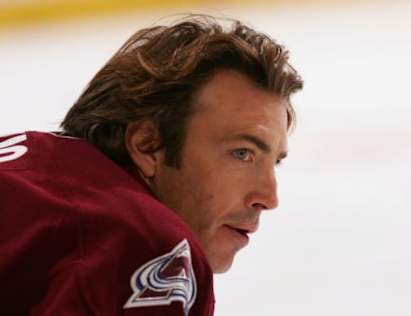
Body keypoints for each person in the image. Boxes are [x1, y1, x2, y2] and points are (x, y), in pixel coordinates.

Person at [0, 15, 303, 315]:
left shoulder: (34, 164)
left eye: (274, 162)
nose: (268, 197)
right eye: (242, 153)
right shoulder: (141, 241)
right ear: (148, 145)